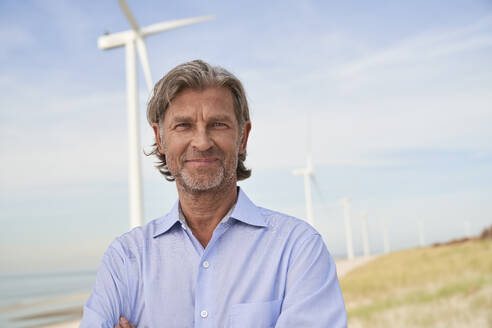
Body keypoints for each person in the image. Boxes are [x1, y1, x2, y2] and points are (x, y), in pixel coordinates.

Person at [80, 60, 347, 328]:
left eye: (218, 124)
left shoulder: (298, 249)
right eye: (183, 125)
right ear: (160, 139)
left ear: (243, 137)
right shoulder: (126, 259)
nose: (202, 142)